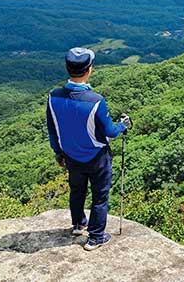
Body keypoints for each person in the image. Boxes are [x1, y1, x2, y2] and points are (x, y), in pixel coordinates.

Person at [46, 47, 132, 251]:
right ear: (89, 69)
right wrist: (123, 125)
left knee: (77, 191)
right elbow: (110, 131)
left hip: (70, 156)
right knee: (100, 195)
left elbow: (52, 129)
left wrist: (58, 153)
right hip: (97, 158)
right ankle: (95, 237)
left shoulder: (53, 97)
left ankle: (78, 224)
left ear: (67, 68)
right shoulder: (95, 101)